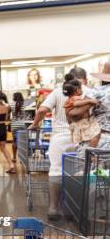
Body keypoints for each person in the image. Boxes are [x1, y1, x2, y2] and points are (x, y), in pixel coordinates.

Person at [30, 66, 89, 220]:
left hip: (61, 138)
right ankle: (78, 207)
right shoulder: (89, 92)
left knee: (56, 170)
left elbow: (42, 110)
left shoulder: (58, 91)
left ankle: (53, 208)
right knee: (81, 170)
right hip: (84, 137)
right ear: (85, 79)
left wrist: (35, 124)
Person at [62, 74, 101, 146]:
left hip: (75, 125)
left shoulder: (70, 99)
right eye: (81, 88)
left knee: (78, 140)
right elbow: (76, 104)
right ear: (78, 90)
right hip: (80, 124)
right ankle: (91, 152)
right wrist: (90, 101)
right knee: (94, 135)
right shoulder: (75, 98)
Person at [10, 92, 27, 161]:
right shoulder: (25, 104)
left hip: (14, 125)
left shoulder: (11, 104)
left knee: (14, 141)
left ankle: (14, 157)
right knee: (22, 142)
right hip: (23, 125)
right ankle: (22, 158)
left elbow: (7, 116)